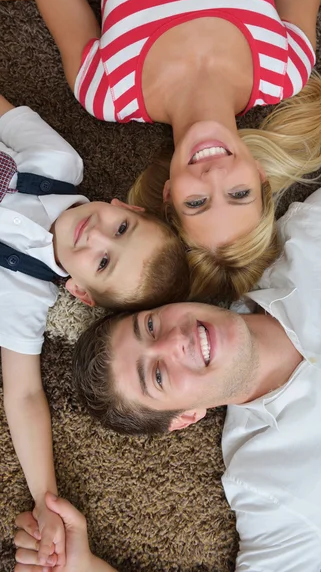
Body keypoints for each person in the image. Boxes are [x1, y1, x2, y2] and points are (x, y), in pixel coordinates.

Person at [60, 146, 321, 570]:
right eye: (159, 376)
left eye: (149, 327)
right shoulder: (268, 488)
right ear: (186, 417)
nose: (173, 342)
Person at [1, 0, 321, 301]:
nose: (214, 175)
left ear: (169, 194)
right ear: (259, 173)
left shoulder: (108, 92)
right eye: (239, 192)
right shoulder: (287, 69)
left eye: (197, 202)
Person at [0, 94, 189, 567]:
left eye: (103, 262)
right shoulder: (56, 162)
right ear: (124, 205)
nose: (97, 235)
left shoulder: (22, 293)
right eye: (122, 227)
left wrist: (47, 502)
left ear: (81, 293)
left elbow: (24, 395)